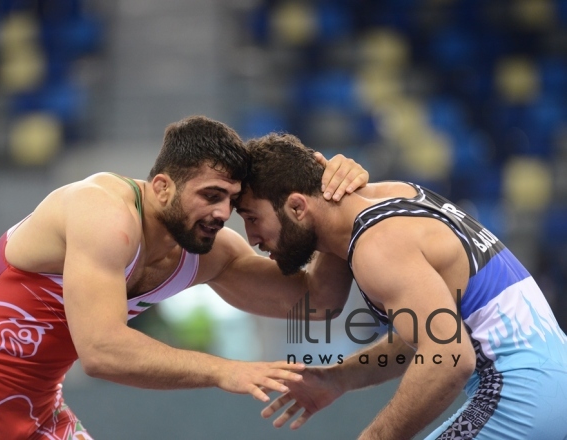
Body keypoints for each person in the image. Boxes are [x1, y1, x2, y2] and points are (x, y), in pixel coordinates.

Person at [0, 116, 368, 439]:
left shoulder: (206, 251)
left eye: (231, 201)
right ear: (162, 187)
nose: (222, 214)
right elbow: (102, 352)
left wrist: (335, 202)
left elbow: (317, 301)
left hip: (34, 414)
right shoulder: (102, 212)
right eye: (210, 195)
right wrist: (223, 369)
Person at [236, 133, 567, 439]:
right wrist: (339, 378)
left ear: (297, 206)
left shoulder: (377, 246)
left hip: (521, 396)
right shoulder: (396, 194)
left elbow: (449, 356)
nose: (251, 238)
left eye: (252, 218)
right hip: (552, 382)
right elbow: (428, 335)